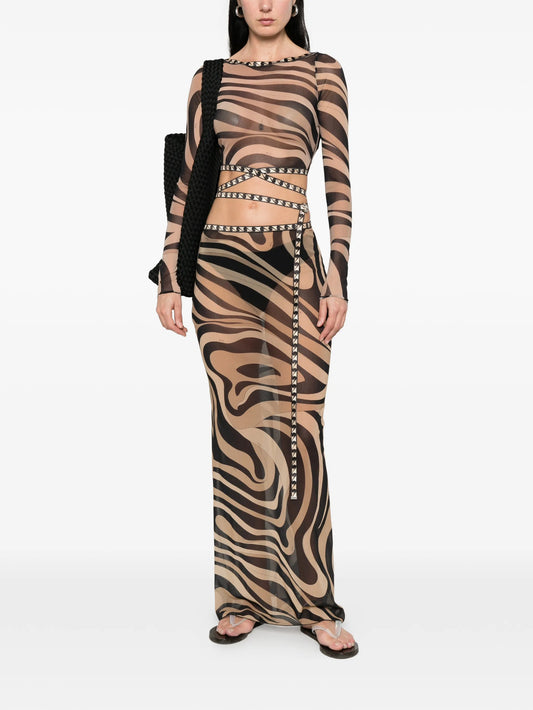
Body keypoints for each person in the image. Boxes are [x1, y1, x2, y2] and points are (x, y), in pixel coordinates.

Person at [156, 0, 357, 659]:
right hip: (219, 266)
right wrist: (169, 274)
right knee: (236, 429)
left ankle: (314, 602)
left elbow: (338, 182)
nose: (265, 3)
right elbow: (189, 180)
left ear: (296, 2)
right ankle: (238, 599)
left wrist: (339, 275)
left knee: (300, 429)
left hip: (294, 266)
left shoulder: (322, 71)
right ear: (236, 2)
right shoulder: (209, 78)